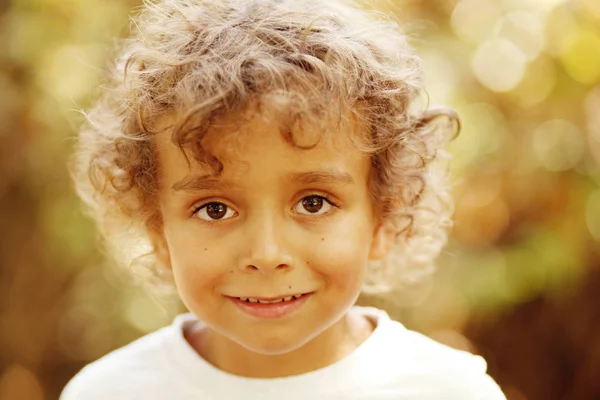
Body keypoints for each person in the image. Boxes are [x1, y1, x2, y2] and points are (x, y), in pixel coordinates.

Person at [61, 0, 507, 398]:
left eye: (314, 203)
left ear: (383, 217)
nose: (267, 254)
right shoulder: (110, 391)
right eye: (214, 209)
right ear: (157, 230)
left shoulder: (445, 390)